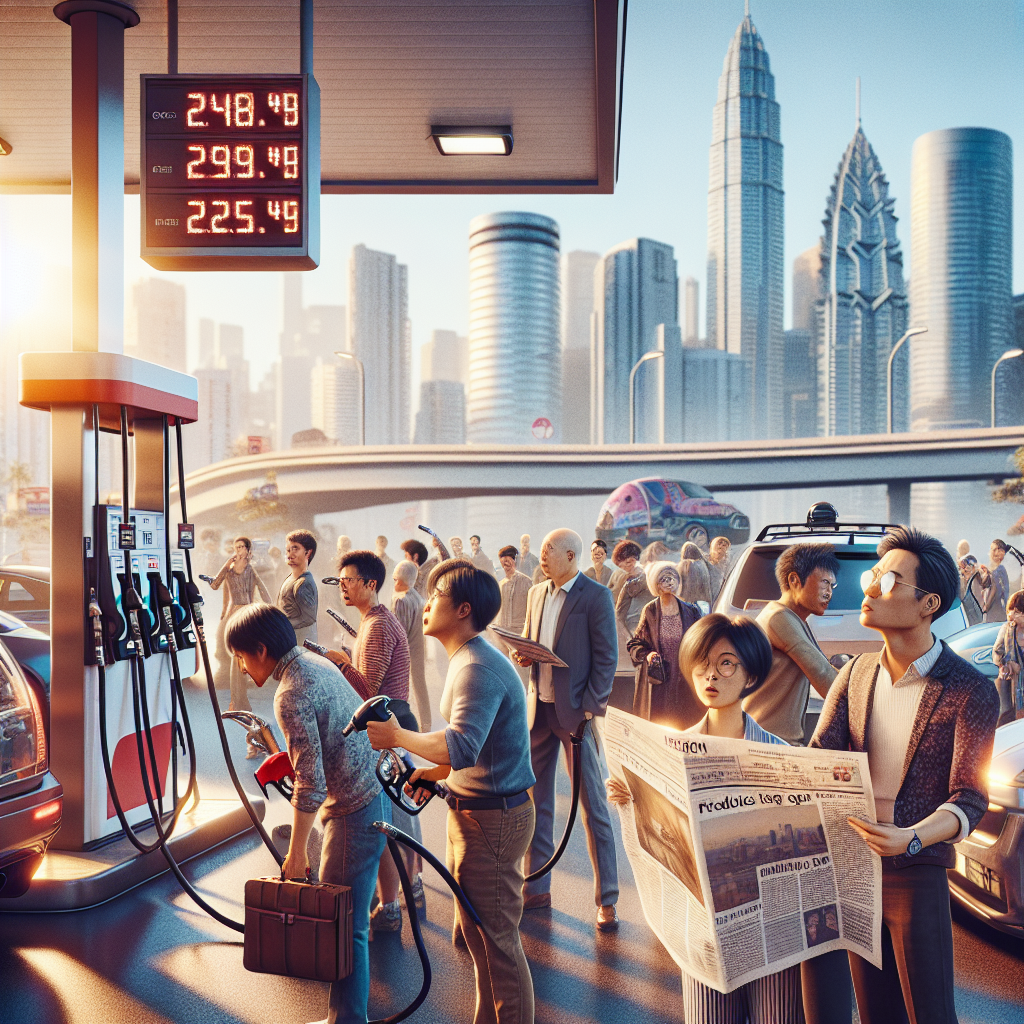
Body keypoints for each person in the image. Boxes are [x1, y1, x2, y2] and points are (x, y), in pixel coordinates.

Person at [810, 526, 999, 1024]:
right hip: (854, 866)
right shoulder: (855, 674)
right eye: (872, 576)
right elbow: (816, 758)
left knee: (930, 1013)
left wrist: (911, 838)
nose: (870, 588)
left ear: (928, 604)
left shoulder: (970, 690)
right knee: (876, 1013)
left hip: (918, 871)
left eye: (889, 580)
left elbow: (970, 796)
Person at [607, 613, 804, 1024]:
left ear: (751, 675)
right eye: (702, 663)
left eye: (726, 663)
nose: (710, 674)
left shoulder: (782, 757)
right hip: (705, 935)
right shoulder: (670, 753)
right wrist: (630, 800)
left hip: (774, 934)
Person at [365, 559, 536, 1024]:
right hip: (476, 811)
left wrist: (397, 736)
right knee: (478, 937)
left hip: (493, 819)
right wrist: (435, 773)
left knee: (497, 942)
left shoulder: (476, 666)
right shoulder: (467, 658)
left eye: (437, 594)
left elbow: (460, 745)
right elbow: (479, 745)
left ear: (463, 609)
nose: (426, 602)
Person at [226, 603, 388, 1024]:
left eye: (241, 657)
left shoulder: (290, 692)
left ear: (261, 650)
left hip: (353, 810)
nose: (241, 667)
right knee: (350, 921)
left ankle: (347, 1020)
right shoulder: (313, 663)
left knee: (345, 926)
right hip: (371, 792)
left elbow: (311, 783)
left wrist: (296, 853)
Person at [513, 529, 620, 931]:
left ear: (571, 556)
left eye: (549, 551)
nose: (542, 557)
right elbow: (530, 641)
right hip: (538, 712)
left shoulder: (596, 597)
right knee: (535, 803)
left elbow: (606, 658)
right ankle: (536, 888)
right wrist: (522, 654)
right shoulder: (536, 593)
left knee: (593, 808)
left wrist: (591, 707)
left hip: (576, 716)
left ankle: (607, 900)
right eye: (541, 551)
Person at [324, 549, 420, 932]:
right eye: (341, 581)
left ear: (370, 583)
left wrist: (341, 663)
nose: (343, 586)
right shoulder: (371, 620)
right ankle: (404, 892)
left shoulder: (378, 625)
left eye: (349, 580)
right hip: (389, 727)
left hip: (386, 728)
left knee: (389, 818)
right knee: (397, 815)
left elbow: (369, 693)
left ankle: (396, 901)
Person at [745, 543, 839, 745]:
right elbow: (826, 680)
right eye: (824, 582)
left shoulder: (794, 619)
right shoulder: (779, 618)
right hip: (769, 744)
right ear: (794, 580)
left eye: (832, 586)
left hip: (772, 741)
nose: (829, 593)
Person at [627, 562, 703, 728]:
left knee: (685, 723)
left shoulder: (691, 610)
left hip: (684, 676)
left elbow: (703, 640)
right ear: (656, 585)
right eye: (665, 579)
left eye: (673, 578)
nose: (670, 582)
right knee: (660, 723)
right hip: (660, 677)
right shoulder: (650, 610)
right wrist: (648, 655)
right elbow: (635, 643)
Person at [209, 536, 272, 734]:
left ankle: (239, 702)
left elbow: (263, 590)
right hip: (232, 616)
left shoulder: (250, 569)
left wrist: (269, 610)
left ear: (247, 550)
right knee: (237, 659)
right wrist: (226, 564)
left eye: (241, 547)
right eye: (235, 547)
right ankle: (238, 702)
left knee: (242, 658)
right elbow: (215, 585)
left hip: (248, 615)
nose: (237, 550)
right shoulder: (229, 569)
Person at [391, 558, 430, 731]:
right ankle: (426, 724)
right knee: (420, 687)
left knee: (401, 690)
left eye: (395, 579)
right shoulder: (418, 598)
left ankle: (405, 727)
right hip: (419, 648)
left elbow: (399, 632)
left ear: (400, 580)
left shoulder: (401, 601)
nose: (394, 583)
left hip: (405, 652)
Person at [496, 545, 531, 682]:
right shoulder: (501, 585)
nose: (505, 564)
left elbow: (532, 610)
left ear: (514, 560)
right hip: (503, 635)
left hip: (520, 635)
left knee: (522, 674)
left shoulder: (526, 582)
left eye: (508, 560)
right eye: (503, 561)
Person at [278, 529, 318, 645]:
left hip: (301, 645)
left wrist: (280, 625)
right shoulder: (290, 578)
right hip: (288, 642)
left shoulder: (304, 583)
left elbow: (309, 618)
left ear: (308, 553)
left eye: (295, 549)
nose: (290, 555)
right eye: (288, 550)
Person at [993, 589, 1024, 722]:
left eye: (1016, 611)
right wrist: (1006, 663)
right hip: (1013, 687)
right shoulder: (1007, 629)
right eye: (1011, 611)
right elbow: (997, 651)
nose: (1011, 615)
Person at [614, 539, 648, 636]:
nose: (624, 569)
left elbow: (619, 615)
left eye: (628, 563)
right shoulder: (625, 578)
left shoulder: (636, 580)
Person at [983, 538, 1010, 622]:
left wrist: (986, 606)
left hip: (996, 610)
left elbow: (995, 589)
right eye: (991, 549)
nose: (991, 552)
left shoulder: (1000, 569)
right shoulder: (995, 569)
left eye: (993, 549)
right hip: (996, 610)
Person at [958, 554, 984, 627]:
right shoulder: (967, 583)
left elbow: (981, 605)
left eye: (963, 567)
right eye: (960, 568)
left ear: (972, 568)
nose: (961, 571)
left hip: (978, 624)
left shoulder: (974, 583)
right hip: (972, 623)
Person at [707, 536, 733, 603]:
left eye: (725, 546)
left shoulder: (731, 563)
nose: (722, 547)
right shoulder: (707, 564)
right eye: (719, 547)